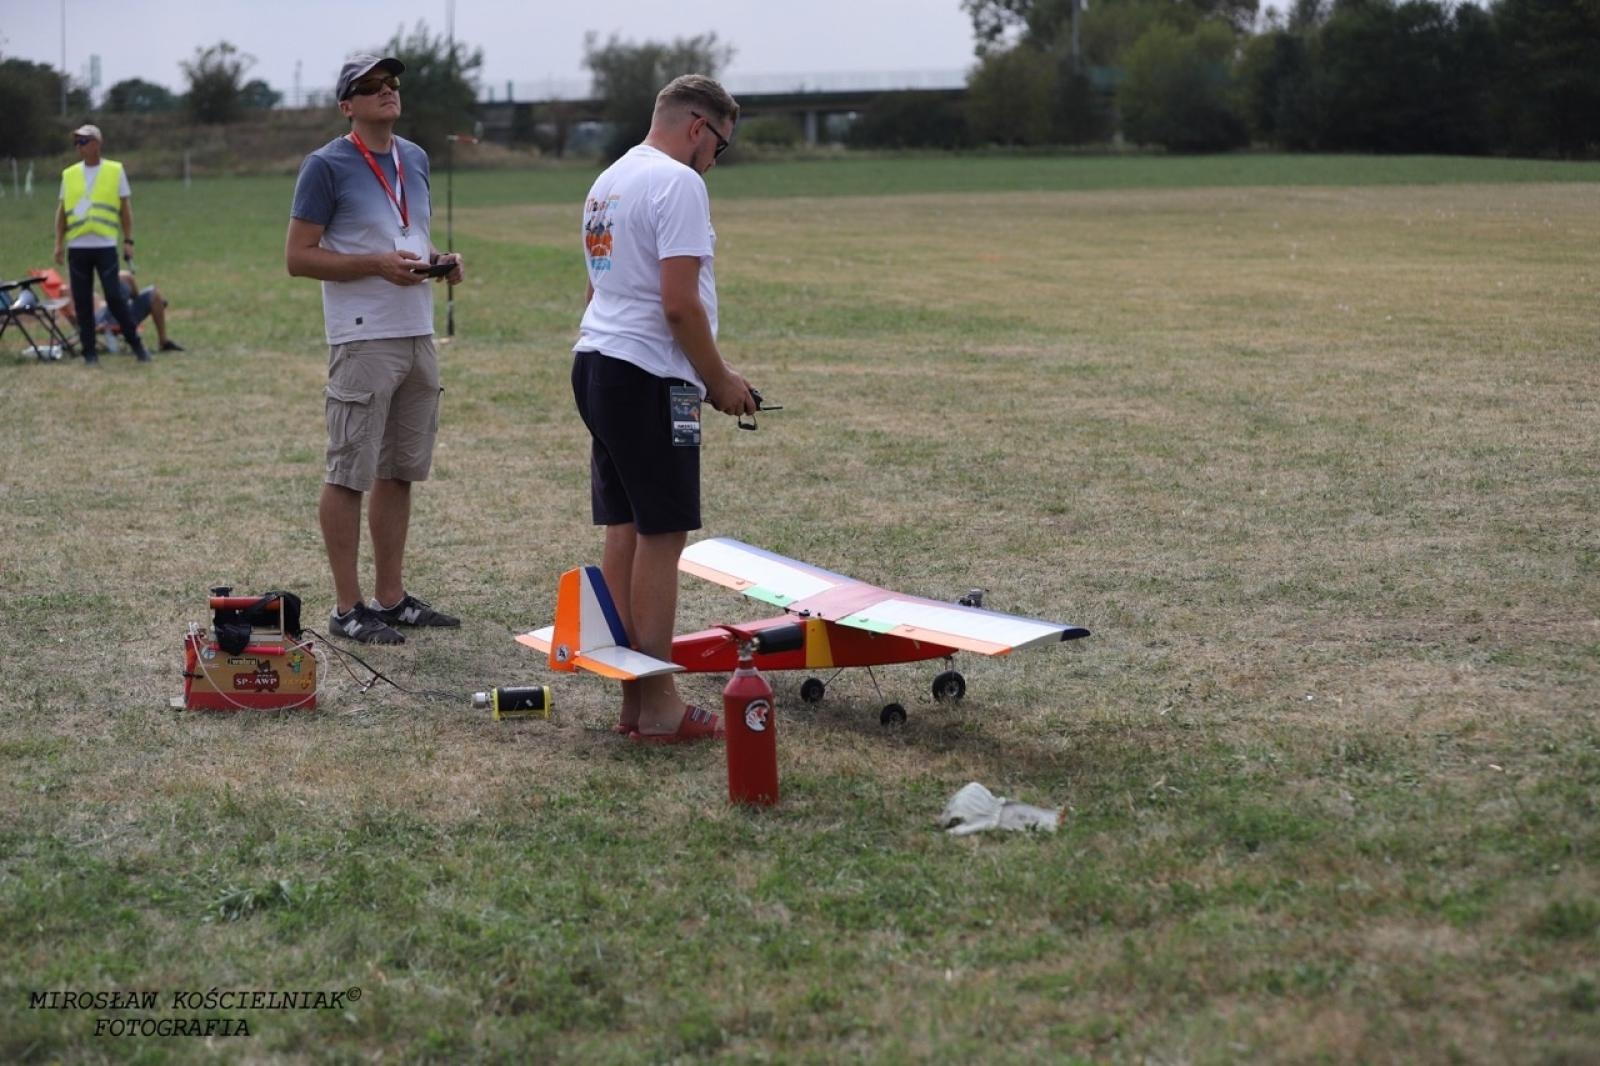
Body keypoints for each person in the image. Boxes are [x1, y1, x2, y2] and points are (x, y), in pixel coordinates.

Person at [572, 75, 756, 743]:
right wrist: (718, 381)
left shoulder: (609, 180)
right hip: (649, 376)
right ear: (698, 128)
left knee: (625, 527)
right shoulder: (679, 183)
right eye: (720, 148)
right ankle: (660, 705)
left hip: (596, 364)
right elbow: (679, 304)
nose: (714, 162)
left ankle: (634, 700)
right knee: (662, 535)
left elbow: (600, 292)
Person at [285, 54, 465, 645]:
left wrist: (438, 261)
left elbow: (407, 235)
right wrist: (375, 266)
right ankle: (346, 606)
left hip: (417, 330)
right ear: (348, 106)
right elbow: (298, 257)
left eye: (392, 84)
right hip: (362, 334)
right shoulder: (325, 166)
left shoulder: (414, 157)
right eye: (371, 87)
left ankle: (391, 600)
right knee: (349, 473)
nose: (387, 92)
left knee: (399, 471)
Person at [54, 124, 151, 365]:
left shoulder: (115, 171)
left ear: (97, 143)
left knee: (115, 297)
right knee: (83, 301)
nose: (79, 146)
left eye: (84, 141)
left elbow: (125, 210)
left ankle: (136, 345)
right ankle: (90, 354)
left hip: (105, 245)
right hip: (78, 247)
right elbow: (62, 213)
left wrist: (128, 240)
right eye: (76, 142)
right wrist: (59, 243)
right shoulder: (69, 174)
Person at [56, 269, 184, 352]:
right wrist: (93, 329)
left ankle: (163, 342)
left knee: (153, 293)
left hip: (115, 311)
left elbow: (101, 303)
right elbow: (78, 323)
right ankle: (140, 300)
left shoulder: (88, 290)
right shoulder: (66, 291)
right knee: (123, 277)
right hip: (101, 321)